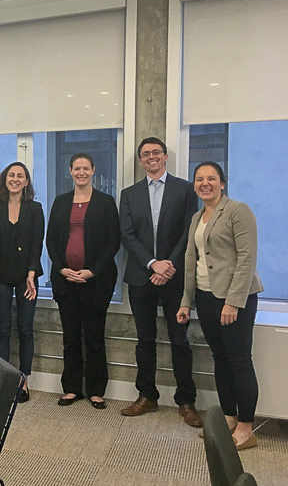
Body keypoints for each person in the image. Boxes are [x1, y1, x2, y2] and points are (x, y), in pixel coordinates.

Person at [177, 162, 263, 450]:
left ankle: (246, 428)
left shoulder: (238, 211)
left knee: (239, 361)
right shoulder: (197, 218)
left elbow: (246, 259)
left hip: (235, 300)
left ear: (222, 183)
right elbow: (192, 262)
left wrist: (233, 302)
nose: (205, 183)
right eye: (199, 179)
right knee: (220, 359)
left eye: (211, 178)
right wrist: (186, 302)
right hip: (205, 297)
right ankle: (228, 418)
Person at [118, 137, 201, 427]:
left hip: (175, 278)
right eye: (145, 154)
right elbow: (127, 235)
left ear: (165, 156)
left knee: (180, 340)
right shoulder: (129, 194)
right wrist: (152, 263)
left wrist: (168, 265)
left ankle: (186, 400)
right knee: (145, 339)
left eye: (156, 152)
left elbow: (189, 232)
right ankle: (147, 395)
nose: (151, 157)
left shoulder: (185, 189)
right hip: (141, 277)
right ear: (141, 161)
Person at [46, 152, 120, 410]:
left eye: (85, 168)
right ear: (70, 171)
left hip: (96, 282)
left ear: (93, 170)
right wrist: (61, 268)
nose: (81, 172)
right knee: (71, 337)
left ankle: (96, 390)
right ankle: (72, 388)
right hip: (66, 280)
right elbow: (51, 240)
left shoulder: (105, 202)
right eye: (76, 168)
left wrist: (93, 271)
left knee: (95, 337)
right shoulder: (60, 201)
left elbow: (113, 241)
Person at [0, 162, 44, 403]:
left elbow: (36, 244)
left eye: (20, 176)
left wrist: (31, 274)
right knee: (2, 329)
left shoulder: (36, 208)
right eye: (11, 175)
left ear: (27, 181)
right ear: (4, 180)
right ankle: (3, 381)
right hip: (0, 276)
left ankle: (23, 381)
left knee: (25, 329)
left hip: (26, 278)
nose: (16, 179)